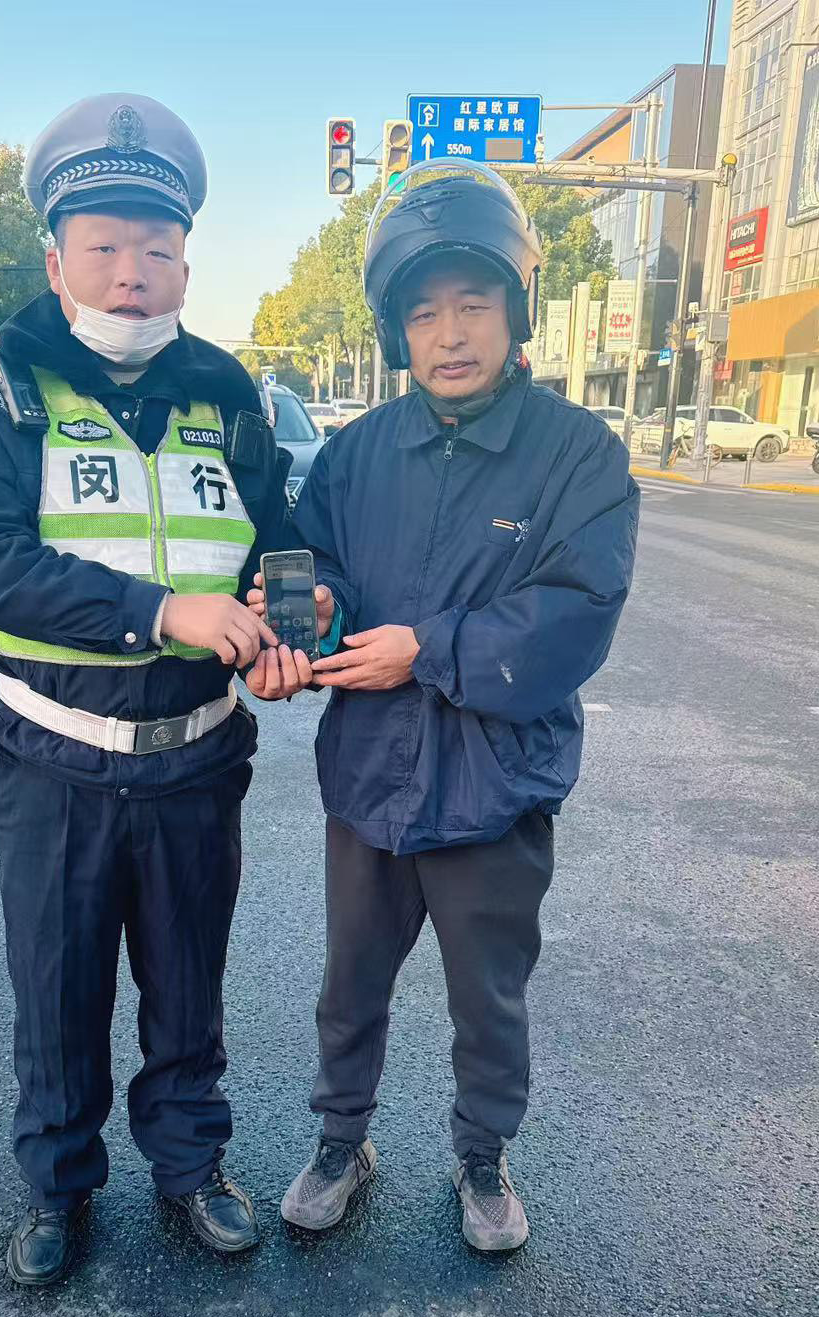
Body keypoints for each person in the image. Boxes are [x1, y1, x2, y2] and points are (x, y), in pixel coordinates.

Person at [0, 93, 292, 1286]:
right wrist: (161, 610)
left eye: (156, 249)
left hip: (198, 757)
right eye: (104, 247)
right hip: (54, 762)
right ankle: (57, 1185)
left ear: (186, 262)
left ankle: (190, 1169)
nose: (132, 274)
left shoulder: (229, 394)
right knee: (58, 990)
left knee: (188, 990)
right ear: (56, 258)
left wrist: (290, 613)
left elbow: (273, 540)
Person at [247, 165, 639, 1252]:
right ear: (396, 331)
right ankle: (341, 1140)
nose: (450, 334)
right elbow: (316, 566)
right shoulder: (356, 453)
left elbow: (576, 612)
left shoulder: (578, 456)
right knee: (349, 987)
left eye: (473, 303)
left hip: (495, 788)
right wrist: (316, 612)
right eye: (423, 313)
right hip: (368, 780)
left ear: (515, 309)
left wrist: (428, 650)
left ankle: (481, 1156)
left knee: (488, 999)